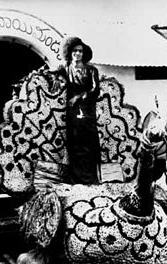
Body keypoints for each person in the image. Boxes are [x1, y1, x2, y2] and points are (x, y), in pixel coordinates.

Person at [60, 36, 101, 185]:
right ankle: (75, 178)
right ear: (70, 52)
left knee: (88, 142)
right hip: (71, 112)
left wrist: (80, 97)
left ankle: (90, 177)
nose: (78, 54)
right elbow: (52, 76)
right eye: (75, 51)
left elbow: (95, 90)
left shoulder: (91, 70)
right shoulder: (65, 68)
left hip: (87, 108)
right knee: (74, 142)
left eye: (80, 51)